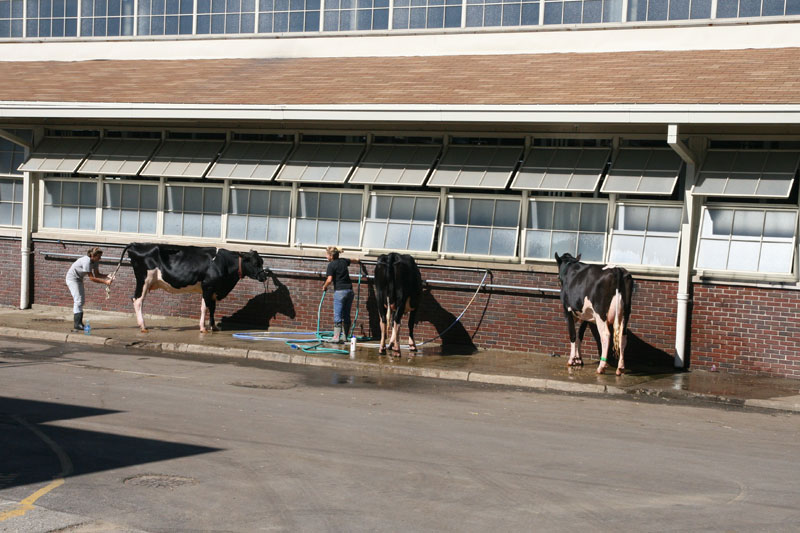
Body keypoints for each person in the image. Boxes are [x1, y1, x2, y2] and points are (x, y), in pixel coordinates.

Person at [65, 247, 113, 332]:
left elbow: (97, 274)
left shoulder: (95, 262)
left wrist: (108, 276)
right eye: (99, 256)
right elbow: (91, 278)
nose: (100, 258)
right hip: (72, 279)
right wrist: (105, 282)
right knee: (78, 301)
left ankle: (79, 323)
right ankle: (77, 324)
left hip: (79, 279)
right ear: (92, 255)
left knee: (81, 301)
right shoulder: (86, 261)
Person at [321, 246, 360, 343]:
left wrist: (324, 286)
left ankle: (336, 337)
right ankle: (345, 337)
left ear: (331, 256)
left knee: (338, 314)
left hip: (340, 292)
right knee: (346, 314)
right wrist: (358, 260)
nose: (326, 256)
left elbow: (329, 280)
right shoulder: (343, 261)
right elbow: (353, 260)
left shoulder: (331, 265)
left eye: (327, 255)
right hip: (349, 291)